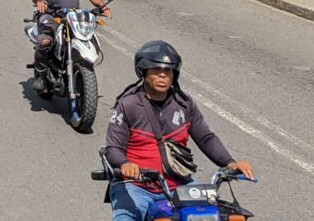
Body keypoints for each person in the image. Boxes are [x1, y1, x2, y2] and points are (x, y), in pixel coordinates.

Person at [105, 40, 254, 221]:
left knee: (212, 215)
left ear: (174, 74)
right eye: (156, 70)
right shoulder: (128, 104)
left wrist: (230, 163)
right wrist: (124, 164)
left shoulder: (184, 103)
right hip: (136, 187)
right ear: (143, 72)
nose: (162, 75)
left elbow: (206, 137)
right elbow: (113, 148)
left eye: (168, 71)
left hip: (180, 185)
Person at [30, 0, 112, 92]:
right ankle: (40, 75)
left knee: (88, 39)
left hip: (72, 16)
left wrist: (103, 6)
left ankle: (77, 68)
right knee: (45, 41)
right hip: (50, 15)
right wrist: (39, 1)